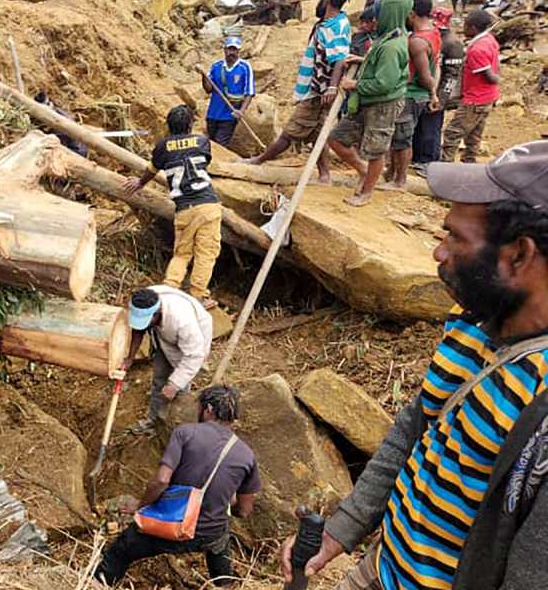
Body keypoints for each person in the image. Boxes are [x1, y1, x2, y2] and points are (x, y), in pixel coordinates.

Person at [280, 140, 548, 590]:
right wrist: (344, 527)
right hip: (379, 567)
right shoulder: (473, 321)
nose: (439, 254)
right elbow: (417, 423)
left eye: (457, 238)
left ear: (519, 255)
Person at [94, 386, 260, 587]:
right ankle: (225, 583)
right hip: (209, 533)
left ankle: (98, 583)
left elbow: (161, 481)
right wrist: (223, 500)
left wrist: (140, 506)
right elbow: (243, 510)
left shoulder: (185, 433)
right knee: (220, 545)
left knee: (120, 551)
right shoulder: (247, 454)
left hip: (169, 526)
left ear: (208, 409)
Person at [241, 0, 352, 183]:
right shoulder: (331, 23)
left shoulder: (334, 27)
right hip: (318, 88)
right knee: (319, 133)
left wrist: (332, 86)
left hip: (318, 91)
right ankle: (324, 174)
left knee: (291, 131)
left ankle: (259, 160)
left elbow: (340, 59)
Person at [123, 106, 223, 307]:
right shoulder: (202, 141)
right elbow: (205, 161)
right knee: (206, 253)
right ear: (190, 124)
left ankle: (169, 288)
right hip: (207, 204)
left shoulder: (162, 147)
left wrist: (140, 183)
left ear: (168, 126)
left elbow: (151, 169)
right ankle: (198, 295)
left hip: (183, 208)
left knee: (182, 253)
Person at [325, 0, 411, 207]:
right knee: (336, 138)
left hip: (382, 104)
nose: (374, 19)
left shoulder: (392, 46)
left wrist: (354, 84)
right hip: (367, 101)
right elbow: (382, 67)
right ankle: (363, 170)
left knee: (375, 149)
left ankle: (366, 192)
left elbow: (385, 83)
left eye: (379, 14)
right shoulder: (388, 37)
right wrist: (363, 61)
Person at [121, 287, 215, 427]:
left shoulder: (183, 321)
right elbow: (138, 330)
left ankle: (175, 426)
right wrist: (130, 358)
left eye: (146, 321)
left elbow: (194, 356)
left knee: (179, 388)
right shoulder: (144, 300)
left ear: (157, 313)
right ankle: (153, 420)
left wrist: (175, 384)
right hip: (165, 337)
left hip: (192, 343)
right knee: (159, 378)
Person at [385, 0, 441, 190]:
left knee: (402, 138)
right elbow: (437, 66)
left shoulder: (417, 41)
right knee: (399, 137)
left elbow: (425, 76)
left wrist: (431, 91)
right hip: (419, 95)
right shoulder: (433, 33)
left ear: (411, 14)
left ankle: (399, 180)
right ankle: (391, 173)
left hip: (411, 94)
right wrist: (433, 94)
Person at [441, 9, 499, 163]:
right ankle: (469, 162)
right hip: (487, 98)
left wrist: (496, 77)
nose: (463, 29)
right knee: (473, 136)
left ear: (473, 28)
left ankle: (445, 166)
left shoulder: (477, 50)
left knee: (452, 133)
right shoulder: (489, 40)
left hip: (475, 99)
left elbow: (490, 76)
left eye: (465, 26)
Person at [413, 7, 464, 175]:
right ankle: (417, 158)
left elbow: (452, 76)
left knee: (431, 130)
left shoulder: (452, 43)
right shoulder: (432, 38)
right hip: (425, 90)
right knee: (420, 128)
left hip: (438, 93)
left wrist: (441, 99)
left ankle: (429, 161)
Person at [201, 36, 255, 151]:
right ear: (224, 50)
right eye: (229, 49)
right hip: (213, 114)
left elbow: (249, 92)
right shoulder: (216, 66)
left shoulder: (245, 67)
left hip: (230, 115)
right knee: (211, 144)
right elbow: (208, 89)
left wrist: (241, 111)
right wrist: (203, 75)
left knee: (220, 145)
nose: (232, 52)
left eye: (234, 50)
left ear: (239, 51)